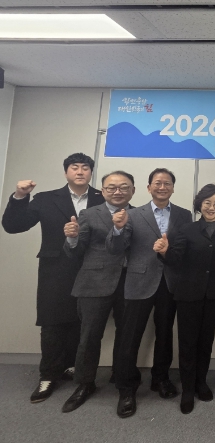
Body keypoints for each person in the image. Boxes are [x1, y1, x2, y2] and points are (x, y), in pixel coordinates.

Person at [1, 153, 104, 403]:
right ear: (66, 172)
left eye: (85, 168)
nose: (80, 171)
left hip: (91, 268)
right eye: (74, 167)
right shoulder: (46, 198)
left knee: (82, 320)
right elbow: (13, 226)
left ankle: (71, 365)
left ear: (91, 172)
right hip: (55, 268)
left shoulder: (102, 198)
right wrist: (20, 196)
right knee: (52, 322)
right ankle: (48, 374)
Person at [105, 168, 192, 418]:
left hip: (170, 282)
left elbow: (185, 250)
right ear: (148, 187)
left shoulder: (184, 215)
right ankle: (126, 388)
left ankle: (160, 378)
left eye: (167, 183)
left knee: (165, 333)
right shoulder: (131, 214)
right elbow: (115, 248)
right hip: (138, 282)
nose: (162, 187)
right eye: (157, 183)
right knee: (130, 336)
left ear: (173, 188)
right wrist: (117, 229)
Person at [154, 184, 215, 414]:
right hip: (188, 294)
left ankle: (201, 382)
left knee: (206, 340)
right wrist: (164, 251)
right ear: (200, 205)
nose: (212, 207)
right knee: (188, 342)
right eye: (207, 203)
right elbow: (176, 259)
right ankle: (188, 389)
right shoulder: (187, 229)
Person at [61, 171, 135, 414]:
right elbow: (76, 251)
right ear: (102, 191)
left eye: (124, 187)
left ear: (133, 190)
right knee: (89, 336)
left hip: (131, 284)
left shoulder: (140, 215)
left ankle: (124, 384)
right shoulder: (89, 214)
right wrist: (72, 238)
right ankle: (84, 384)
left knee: (127, 337)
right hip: (93, 283)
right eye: (111, 187)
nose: (118, 191)